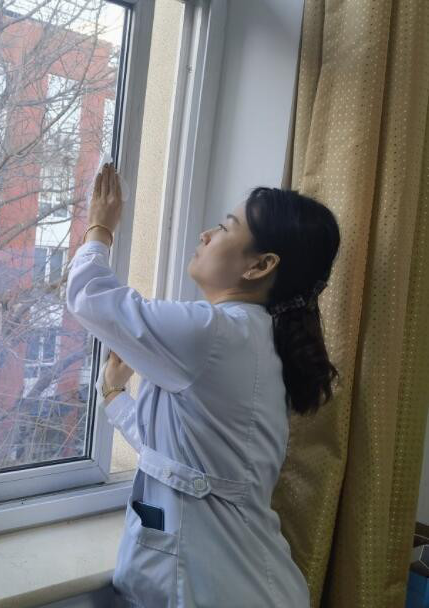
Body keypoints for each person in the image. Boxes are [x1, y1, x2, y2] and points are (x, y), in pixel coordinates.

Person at [65, 163, 340, 607]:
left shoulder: (214, 334)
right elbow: (184, 456)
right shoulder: (252, 339)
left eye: (225, 227)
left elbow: (89, 298)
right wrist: (116, 400)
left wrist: (100, 227)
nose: (206, 234)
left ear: (260, 265)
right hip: (243, 584)